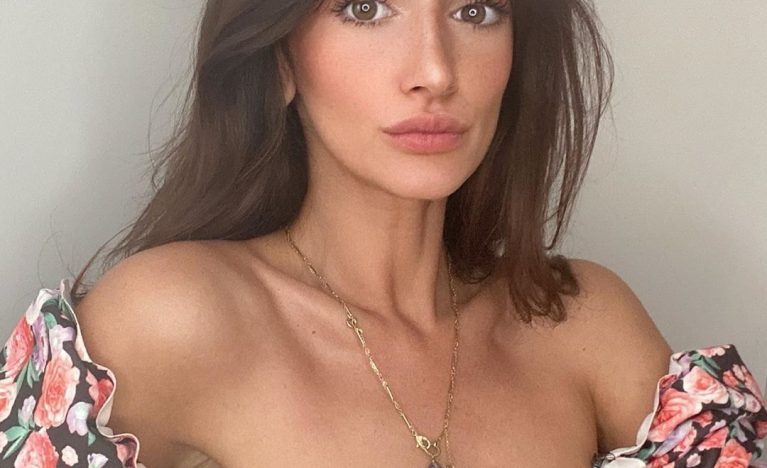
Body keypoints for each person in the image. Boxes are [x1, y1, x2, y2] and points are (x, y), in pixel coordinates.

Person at [1, 0, 766, 466]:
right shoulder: (173, 318)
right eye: (364, 8)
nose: (434, 70)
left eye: (475, 11)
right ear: (281, 60)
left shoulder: (580, 321)